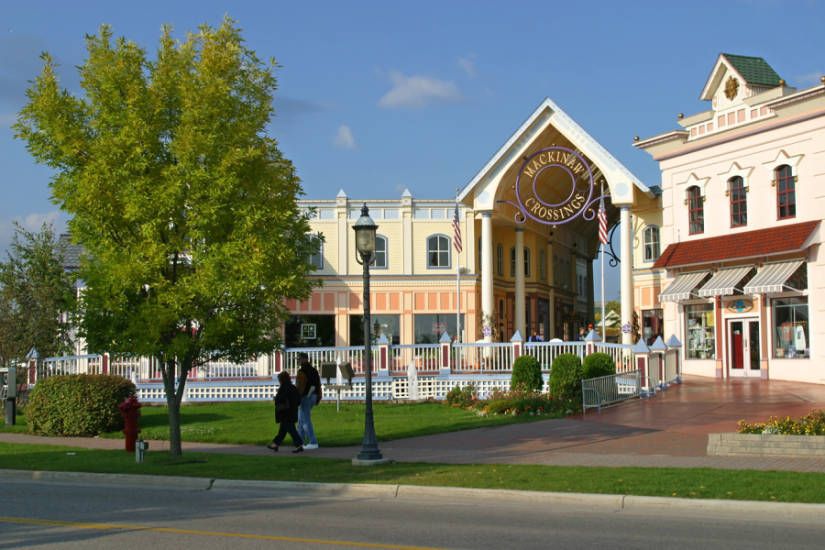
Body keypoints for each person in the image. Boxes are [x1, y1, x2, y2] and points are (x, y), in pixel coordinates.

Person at [267, 371, 303, 453]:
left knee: (291, 430)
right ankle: (275, 444)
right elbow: (298, 401)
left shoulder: (283, 388)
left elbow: (281, 399)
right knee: (283, 430)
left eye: (279, 379)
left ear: (282, 380)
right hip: (293, 412)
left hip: (285, 413)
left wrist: (275, 399)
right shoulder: (293, 388)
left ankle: (299, 444)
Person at [296, 352, 322, 450]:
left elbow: (300, 387)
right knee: (301, 419)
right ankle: (299, 442)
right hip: (314, 396)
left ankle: (313, 442)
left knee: (305, 420)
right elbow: (318, 384)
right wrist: (319, 396)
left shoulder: (302, 371)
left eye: (299, 359)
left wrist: (297, 398)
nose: (298, 361)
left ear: (304, 359)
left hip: (305, 397)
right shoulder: (314, 370)